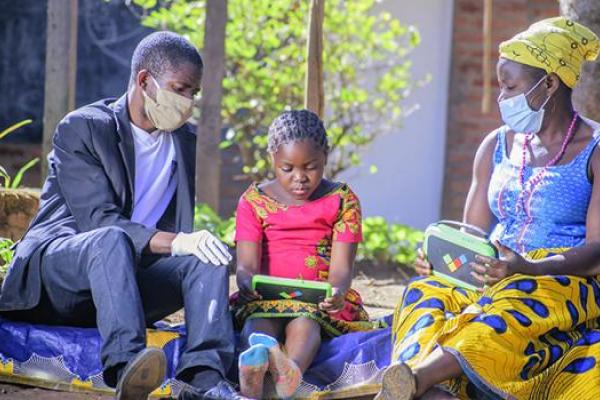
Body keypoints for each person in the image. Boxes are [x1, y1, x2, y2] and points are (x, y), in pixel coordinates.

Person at [0, 32, 243, 400]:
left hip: (124, 286)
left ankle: (206, 378)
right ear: (145, 81)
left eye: (193, 93)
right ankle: (129, 367)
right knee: (111, 238)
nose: (188, 102)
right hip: (60, 281)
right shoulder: (84, 128)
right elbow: (98, 221)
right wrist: (178, 241)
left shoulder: (183, 142)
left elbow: (174, 235)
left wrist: (193, 245)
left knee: (206, 255)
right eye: (180, 89)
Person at [376, 17, 600, 400]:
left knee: (513, 302)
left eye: (510, 87)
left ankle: (417, 377)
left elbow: (598, 251)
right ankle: (427, 388)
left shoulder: (594, 149)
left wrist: (528, 266)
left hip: (558, 279)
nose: (502, 98)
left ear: (549, 83)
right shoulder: (495, 146)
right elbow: (471, 234)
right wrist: (442, 258)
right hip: (490, 271)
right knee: (424, 292)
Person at [231, 110, 378, 399]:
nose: (299, 178)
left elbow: (340, 271)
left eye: (310, 167)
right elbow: (246, 265)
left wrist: (336, 292)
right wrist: (246, 283)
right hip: (264, 300)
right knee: (257, 325)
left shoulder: (341, 200)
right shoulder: (253, 201)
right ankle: (254, 368)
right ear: (272, 158)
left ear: (326, 155)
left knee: (305, 323)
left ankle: (290, 374)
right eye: (287, 169)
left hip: (317, 303)